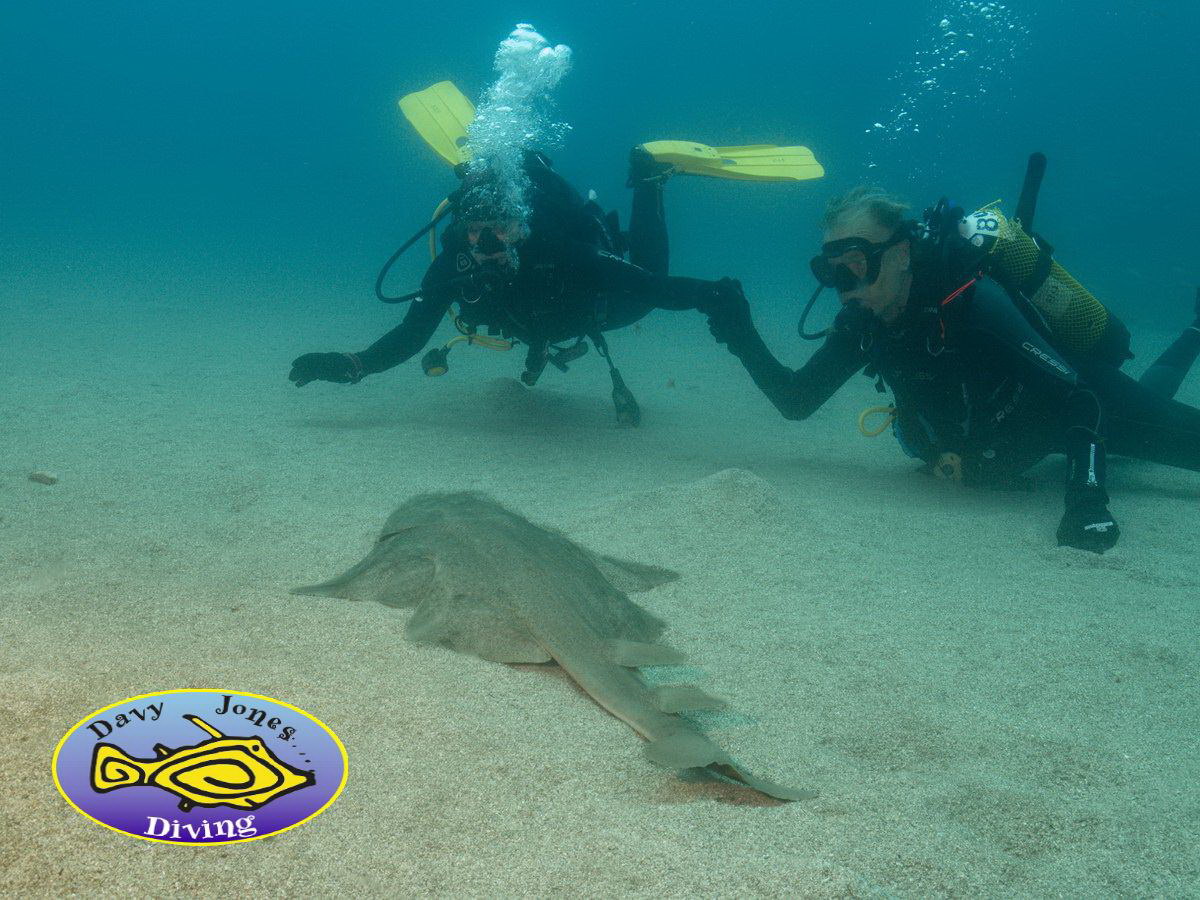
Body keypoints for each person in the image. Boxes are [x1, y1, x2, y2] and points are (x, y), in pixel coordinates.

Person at [703, 187, 1200, 552]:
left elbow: (1080, 397)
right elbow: (797, 400)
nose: (844, 287)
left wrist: (1086, 503)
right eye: (829, 271)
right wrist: (742, 336)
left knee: (1158, 424)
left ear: (901, 254)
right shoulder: (868, 319)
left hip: (1067, 407)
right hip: (1008, 442)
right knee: (1151, 399)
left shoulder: (972, 302)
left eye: (855, 264)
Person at [288, 148, 727, 426]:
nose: (490, 244)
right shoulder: (455, 265)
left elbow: (652, 287)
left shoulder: (557, 249)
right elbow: (412, 333)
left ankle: (648, 182)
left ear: (521, 227)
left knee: (647, 287)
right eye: (477, 230)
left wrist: (708, 296)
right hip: (531, 325)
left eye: (503, 228)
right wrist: (355, 365)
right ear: (462, 230)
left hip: (593, 311)